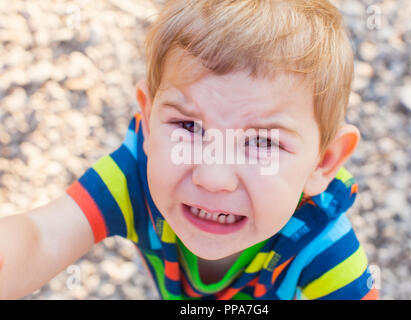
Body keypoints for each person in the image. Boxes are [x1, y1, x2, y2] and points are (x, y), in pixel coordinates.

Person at [0, 0, 379, 300]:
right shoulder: (133, 178)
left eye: (262, 142)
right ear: (147, 121)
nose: (213, 177)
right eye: (187, 127)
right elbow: (41, 238)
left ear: (323, 161)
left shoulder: (321, 240)